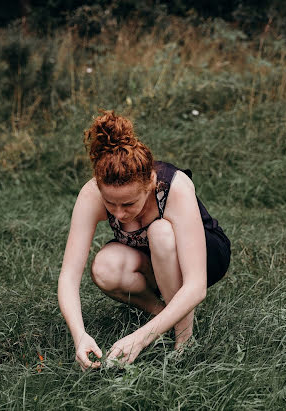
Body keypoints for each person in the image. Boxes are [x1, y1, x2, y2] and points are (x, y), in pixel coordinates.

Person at [57, 110, 231, 370]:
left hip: (205, 256)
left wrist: (140, 339)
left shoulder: (174, 187)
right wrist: (79, 336)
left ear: (149, 182)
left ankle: (184, 341)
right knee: (105, 266)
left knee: (160, 232)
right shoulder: (91, 193)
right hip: (151, 256)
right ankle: (163, 317)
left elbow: (197, 285)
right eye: (110, 203)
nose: (118, 213)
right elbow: (69, 277)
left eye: (128, 203)